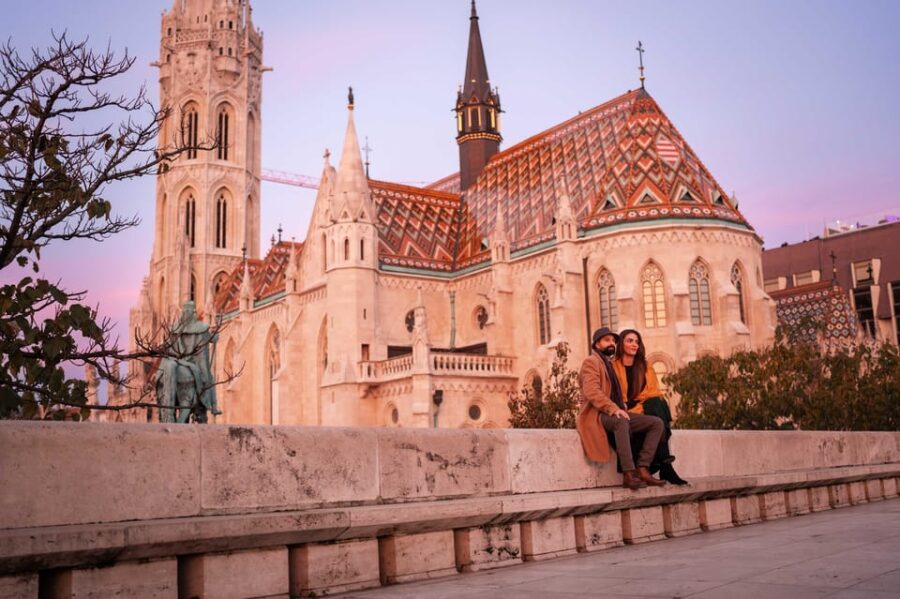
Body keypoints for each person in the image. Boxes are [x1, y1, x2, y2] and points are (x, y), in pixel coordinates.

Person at [576, 327, 666, 490]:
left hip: (614, 412)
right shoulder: (591, 362)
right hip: (598, 414)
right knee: (621, 422)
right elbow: (592, 391)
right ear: (597, 344)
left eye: (613, 341)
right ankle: (628, 474)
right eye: (606, 340)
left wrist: (622, 406)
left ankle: (643, 468)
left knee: (656, 423)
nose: (611, 343)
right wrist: (613, 408)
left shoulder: (608, 364)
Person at [612, 329, 688, 485]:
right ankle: (665, 466)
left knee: (657, 403)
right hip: (621, 411)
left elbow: (652, 393)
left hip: (641, 407)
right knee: (657, 408)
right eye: (629, 341)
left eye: (636, 342)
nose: (634, 344)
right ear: (621, 344)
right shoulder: (612, 367)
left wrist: (637, 405)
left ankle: (664, 466)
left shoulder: (645, 368)